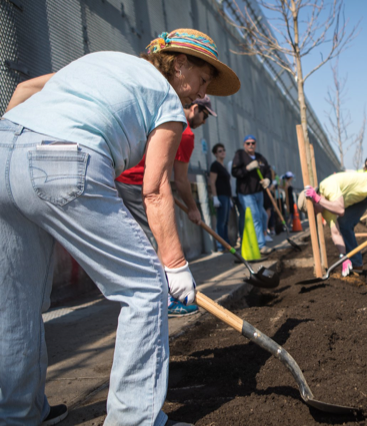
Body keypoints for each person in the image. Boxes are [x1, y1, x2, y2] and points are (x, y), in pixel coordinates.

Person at [0, 28, 240, 425]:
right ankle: (134, 420)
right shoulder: (165, 99)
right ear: (180, 64)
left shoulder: (100, 62)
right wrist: (175, 267)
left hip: (5, 148)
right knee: (146, 287)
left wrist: (16, 148)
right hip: (63, 159)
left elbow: (25, 88)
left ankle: (16, 414)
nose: (199, 94)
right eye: (201, 81)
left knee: (15, 300)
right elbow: (156, 188)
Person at [116, 95, 215, 317]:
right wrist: (192, 208)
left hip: (123, 176)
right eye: (205, 115)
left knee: (148, 239)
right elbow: (180, 179)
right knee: (162, 237)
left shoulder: (162, 114)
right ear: (196, 108)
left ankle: (157, 295)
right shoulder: (185, 132)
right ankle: (166, 299)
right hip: (137, 183)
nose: (204, 121)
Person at [231, 134, 272, 254]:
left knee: (261, 216)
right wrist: (247, 168)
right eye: (248, 143)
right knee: (255, 218)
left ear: (255, 144)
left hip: (259, 193)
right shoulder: (240, 155)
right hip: (246, 193)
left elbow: (268, 171)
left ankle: (248, 241)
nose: (250, 145)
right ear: (244, 145)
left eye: (253, 143)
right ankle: (261, 245)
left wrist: (267, 180)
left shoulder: (260, 158)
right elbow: (235, 172)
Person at [209, 142, 232, 249]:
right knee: (221, 221)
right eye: (220, 151)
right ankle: (220, 244)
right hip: (220, 196)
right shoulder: (215, 165)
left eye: (223, 150)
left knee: (226, 221)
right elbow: (212, 182)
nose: (223, 152)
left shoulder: (223, 166)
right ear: (215, 154)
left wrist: (230, 198)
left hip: (226, 196)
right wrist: (215, 197)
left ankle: (226, 243)